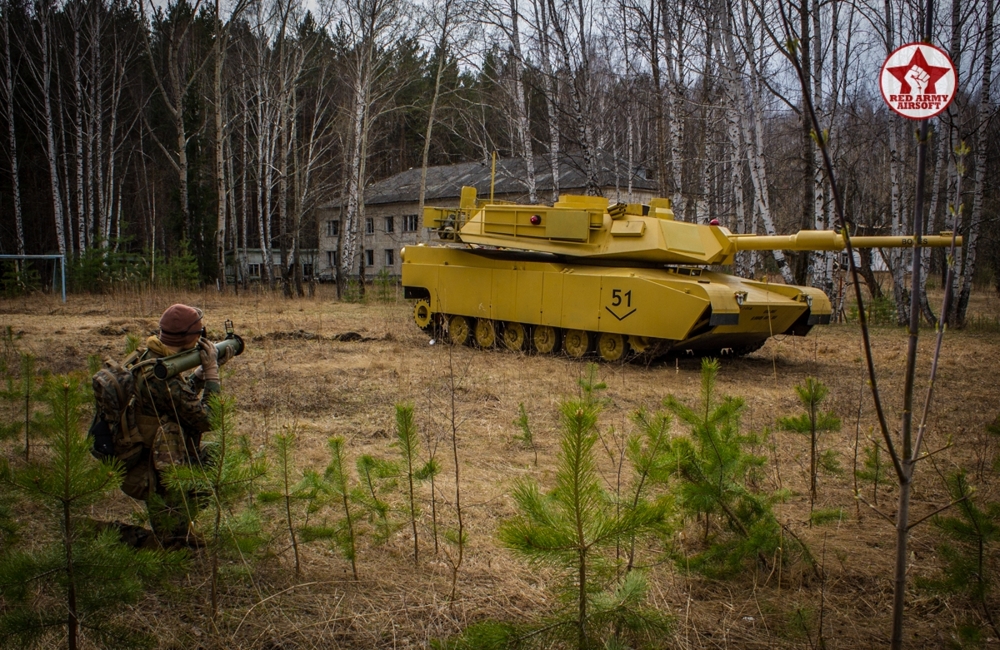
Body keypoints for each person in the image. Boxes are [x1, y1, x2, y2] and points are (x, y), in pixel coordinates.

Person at [120, 303, 234, 548]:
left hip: (152, 455)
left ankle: (177, 528)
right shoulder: (161, 375)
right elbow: (207, 419)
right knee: (173, 545)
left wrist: (200, 375)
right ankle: (166, 535)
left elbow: (176, 401)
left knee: (175, 534)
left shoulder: (153, 357)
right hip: (156, 464)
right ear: (193, 337)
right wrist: (212, 374)